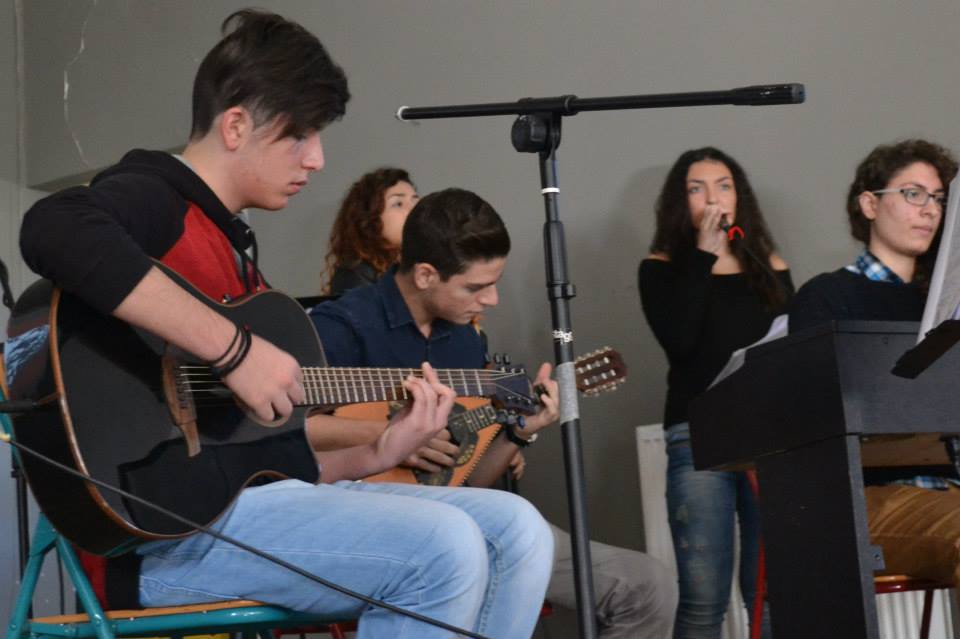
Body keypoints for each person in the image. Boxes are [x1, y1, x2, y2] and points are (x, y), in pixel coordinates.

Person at [17, 10, 553, 639]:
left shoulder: (238, 259)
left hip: (251, 509)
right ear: (236, 125)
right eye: (300, 135)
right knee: (444, 543)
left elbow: (262, 466)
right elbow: (54, 227)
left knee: (518, 531)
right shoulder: (155, 196)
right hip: (161, 540)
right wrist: (235, 351)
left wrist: (379, 450)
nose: (318, 158)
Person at [309, 186, 678, 639]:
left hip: (469, 522)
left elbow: (468, 483)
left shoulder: (465, 342)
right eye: (476, 287)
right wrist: (391, 437)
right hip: (372, 531)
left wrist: (519, 433)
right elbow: (282, 433)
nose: (492, 300)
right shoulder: (342, 327)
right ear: (425, 275)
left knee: (648, 586)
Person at [788, 139, 960, 603]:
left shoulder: (947, 305)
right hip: (871, 496)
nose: (930, 209)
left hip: (948, 486)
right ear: (869, 204)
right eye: (913, 193)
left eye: (939, 198)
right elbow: (812, 417)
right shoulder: (825, 298)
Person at [638, 147, 793, 639]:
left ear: (738, 196)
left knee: (769, 594)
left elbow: (792, 343)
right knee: (703, 595)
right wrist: (704, 254)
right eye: (697, 188)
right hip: (697, 435)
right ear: (679, 201)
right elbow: (680, 341)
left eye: (723, 186)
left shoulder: (769, 264)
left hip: (767, 436)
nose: (712, 198)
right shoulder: (659, 268)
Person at [322, 167, 419, 295]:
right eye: (398, 204)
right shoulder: (355, 273)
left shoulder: (424, 265)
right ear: (370, 218)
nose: (414, 210)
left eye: (416, 201)